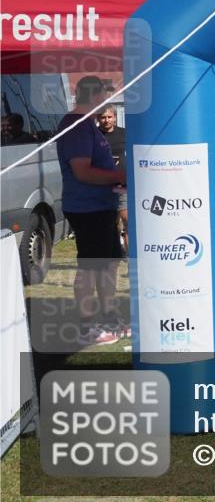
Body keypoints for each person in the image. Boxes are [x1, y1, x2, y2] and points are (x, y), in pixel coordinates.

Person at [56, 77, 127, 345]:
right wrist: (119, 175)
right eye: (106, 97)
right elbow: (82, 171)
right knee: (90, 266)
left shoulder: (88, 124)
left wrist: (116, 180)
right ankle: (87, 326)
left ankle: (109, 317)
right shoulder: (76, 125)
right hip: (87, 208)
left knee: (108, 263)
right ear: (95, 96)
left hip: (102, 206)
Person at [97, 106, 129, 255]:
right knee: (112, 223)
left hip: (121, 184)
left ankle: (130, 257)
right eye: (103, 117)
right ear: (98, 119)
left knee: (126, 219)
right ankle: (116, 250)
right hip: (103, 186)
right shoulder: (94, 135)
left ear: (115, 118)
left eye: (109, 117)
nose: (106, 120)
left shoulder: (124, 133)